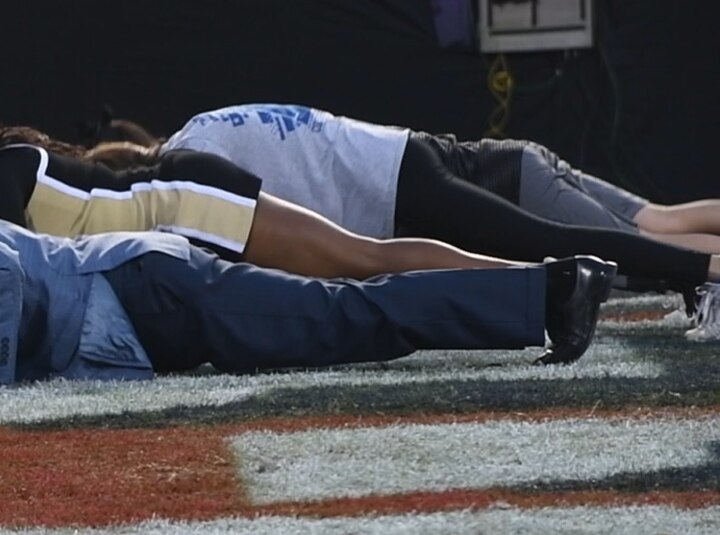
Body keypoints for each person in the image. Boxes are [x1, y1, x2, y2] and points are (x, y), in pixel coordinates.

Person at [0, 207, 616, 387]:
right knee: (342, 318)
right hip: (133, 303)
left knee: (345, 315)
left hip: (139, 292)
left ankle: (547, 291)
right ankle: (537, 294)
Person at [0, 104, 519, 289]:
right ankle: (524, 278)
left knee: (361, 261)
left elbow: (19, 273)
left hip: (192, 204)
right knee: (358, 267)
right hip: (183, 207)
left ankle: (528, 278)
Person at [158, 104, 720, 298]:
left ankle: (708, 269)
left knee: (570, 253)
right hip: (411, 158)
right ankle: (702, 265)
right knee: (644, 228)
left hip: (399, 181)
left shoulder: (188, 166)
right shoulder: (201, 131)